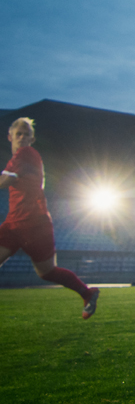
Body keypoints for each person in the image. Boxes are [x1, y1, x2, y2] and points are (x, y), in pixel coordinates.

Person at [0, 118, 100, 319]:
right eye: (18, 134)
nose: (22, 137)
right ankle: (87, 293)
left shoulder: (26, 153)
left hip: (32, 225)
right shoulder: (24, 158)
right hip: (22, 223)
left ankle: (87, 293)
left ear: (32, 139)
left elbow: (7, 179)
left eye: (26, 134)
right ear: (9, 136)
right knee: (48, 272)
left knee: (47, 272)